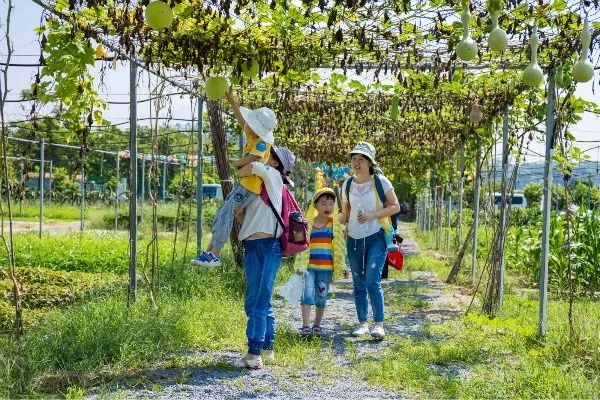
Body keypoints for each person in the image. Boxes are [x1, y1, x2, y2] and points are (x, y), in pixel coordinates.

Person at [192, 89, 288, 267]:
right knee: (222, 213)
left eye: (251, 123)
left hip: (248, 188)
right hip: (245, 186)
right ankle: (210, 252)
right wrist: (231, 99)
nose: (246, 124)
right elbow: (241, 119)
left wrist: (239, 163)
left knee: (227, 212)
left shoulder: (261, 143)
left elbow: (257, 159)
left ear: (257, 128)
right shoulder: (253, 136)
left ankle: (215, 253)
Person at [234, 146, 296, 370]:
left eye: (269, 152)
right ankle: (268, 348)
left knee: (259, 300)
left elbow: (243, 168)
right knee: (256, 300)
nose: (264, 153)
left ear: (277, 164)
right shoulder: (257, 186)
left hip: (269, 246)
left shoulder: (272, 176)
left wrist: (248, 158)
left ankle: (254, 353)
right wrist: (241, 216)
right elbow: (250, 223)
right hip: (251, 245)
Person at [338, 142, 400, 340]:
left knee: (372, 280)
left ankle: (379, 324)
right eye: (354, 159)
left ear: (370, 162)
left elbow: (395, 206)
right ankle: (362, 323)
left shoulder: (380, 182)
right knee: (358, 283)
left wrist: (373, 214)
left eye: (361, 159)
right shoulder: (347, 184)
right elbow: (345, 214)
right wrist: (324, 220)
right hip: (354, 239)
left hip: (376, 236)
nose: (356, 163)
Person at [294, 187, 345, 336]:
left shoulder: (335, 227)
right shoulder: (307, 225)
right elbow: (301, 247)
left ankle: (317, 324)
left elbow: (340, 249)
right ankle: (305, 325)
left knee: (321, 297)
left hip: (326, 269)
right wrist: (299, 266)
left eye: (331, 204)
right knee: (307, 295)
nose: (327, 207)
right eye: (323, 203)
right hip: (309, 268)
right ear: (315, 205)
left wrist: (342, 266)